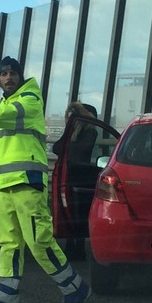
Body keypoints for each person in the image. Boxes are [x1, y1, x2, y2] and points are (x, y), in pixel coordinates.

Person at [0, 56, 91, 303]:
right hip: (6, 185)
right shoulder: (6, 103)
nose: (8, 78)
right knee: (9, 244)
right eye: (3, 74)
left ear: (20, 76)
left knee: (38, 240)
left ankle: (75, 287)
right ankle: (6, 301)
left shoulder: (30, 99)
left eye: (12, 73)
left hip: (28, 182)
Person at [52, 101, 97, 261]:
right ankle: (72, 244)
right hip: (70, 175)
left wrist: (68, 136)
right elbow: (56, 148)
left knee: (78, 211)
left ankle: (77, 246)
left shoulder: (89, 132)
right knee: (69, 210)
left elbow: (78, 151)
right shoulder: (74, 133)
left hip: (80, 176)